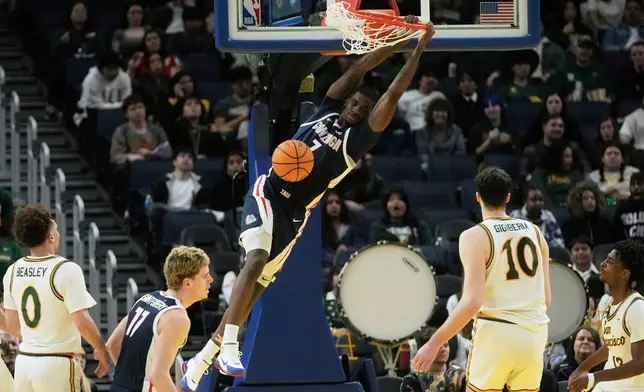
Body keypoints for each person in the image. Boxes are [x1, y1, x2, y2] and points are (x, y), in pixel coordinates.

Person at [181, 19, 435, 390]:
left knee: (255, 290)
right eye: (355, 103)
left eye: (363, 109)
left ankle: (203, 360)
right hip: (267, 193)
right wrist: (398, 40)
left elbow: (392, 96)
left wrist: (419, 49)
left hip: (294, 216)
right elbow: (361, 66)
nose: (356, 109)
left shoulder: (355, 145)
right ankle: (230, 346)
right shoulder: (327, 108)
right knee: (253, 261)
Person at [412, 167, 552, 392]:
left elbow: (472, 301)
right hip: (534, 332)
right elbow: (546, 300)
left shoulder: (474, 236)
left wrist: (434, 342)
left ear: (478, 196)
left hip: (496, 332)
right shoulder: (535, 232)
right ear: (508, 197)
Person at [2, 204, 109, 392]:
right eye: (56, 229)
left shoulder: (12, 271)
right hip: (57, 363)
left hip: (25, 362)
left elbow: (11, 323)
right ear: (50, 236)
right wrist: (100, 347)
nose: (58, 233)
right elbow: (82, 322)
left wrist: (38, 337)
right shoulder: (67, 269)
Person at [107, 246, 212, 392]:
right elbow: (158, 375)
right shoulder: (177, 317)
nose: (210, 279)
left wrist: (133, 378)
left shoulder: (147, 298)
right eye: (205, 276)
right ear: (188, 283)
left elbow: (112, 344)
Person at [568, 240, 644, 392]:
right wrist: (583, 368)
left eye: (609, 262)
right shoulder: (610, 302)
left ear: (624, 274)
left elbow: (640, 363)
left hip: (634, 388)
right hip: (609, 386)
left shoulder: (637, 308)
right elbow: (614, 345)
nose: (602, 264)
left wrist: (594, 377)